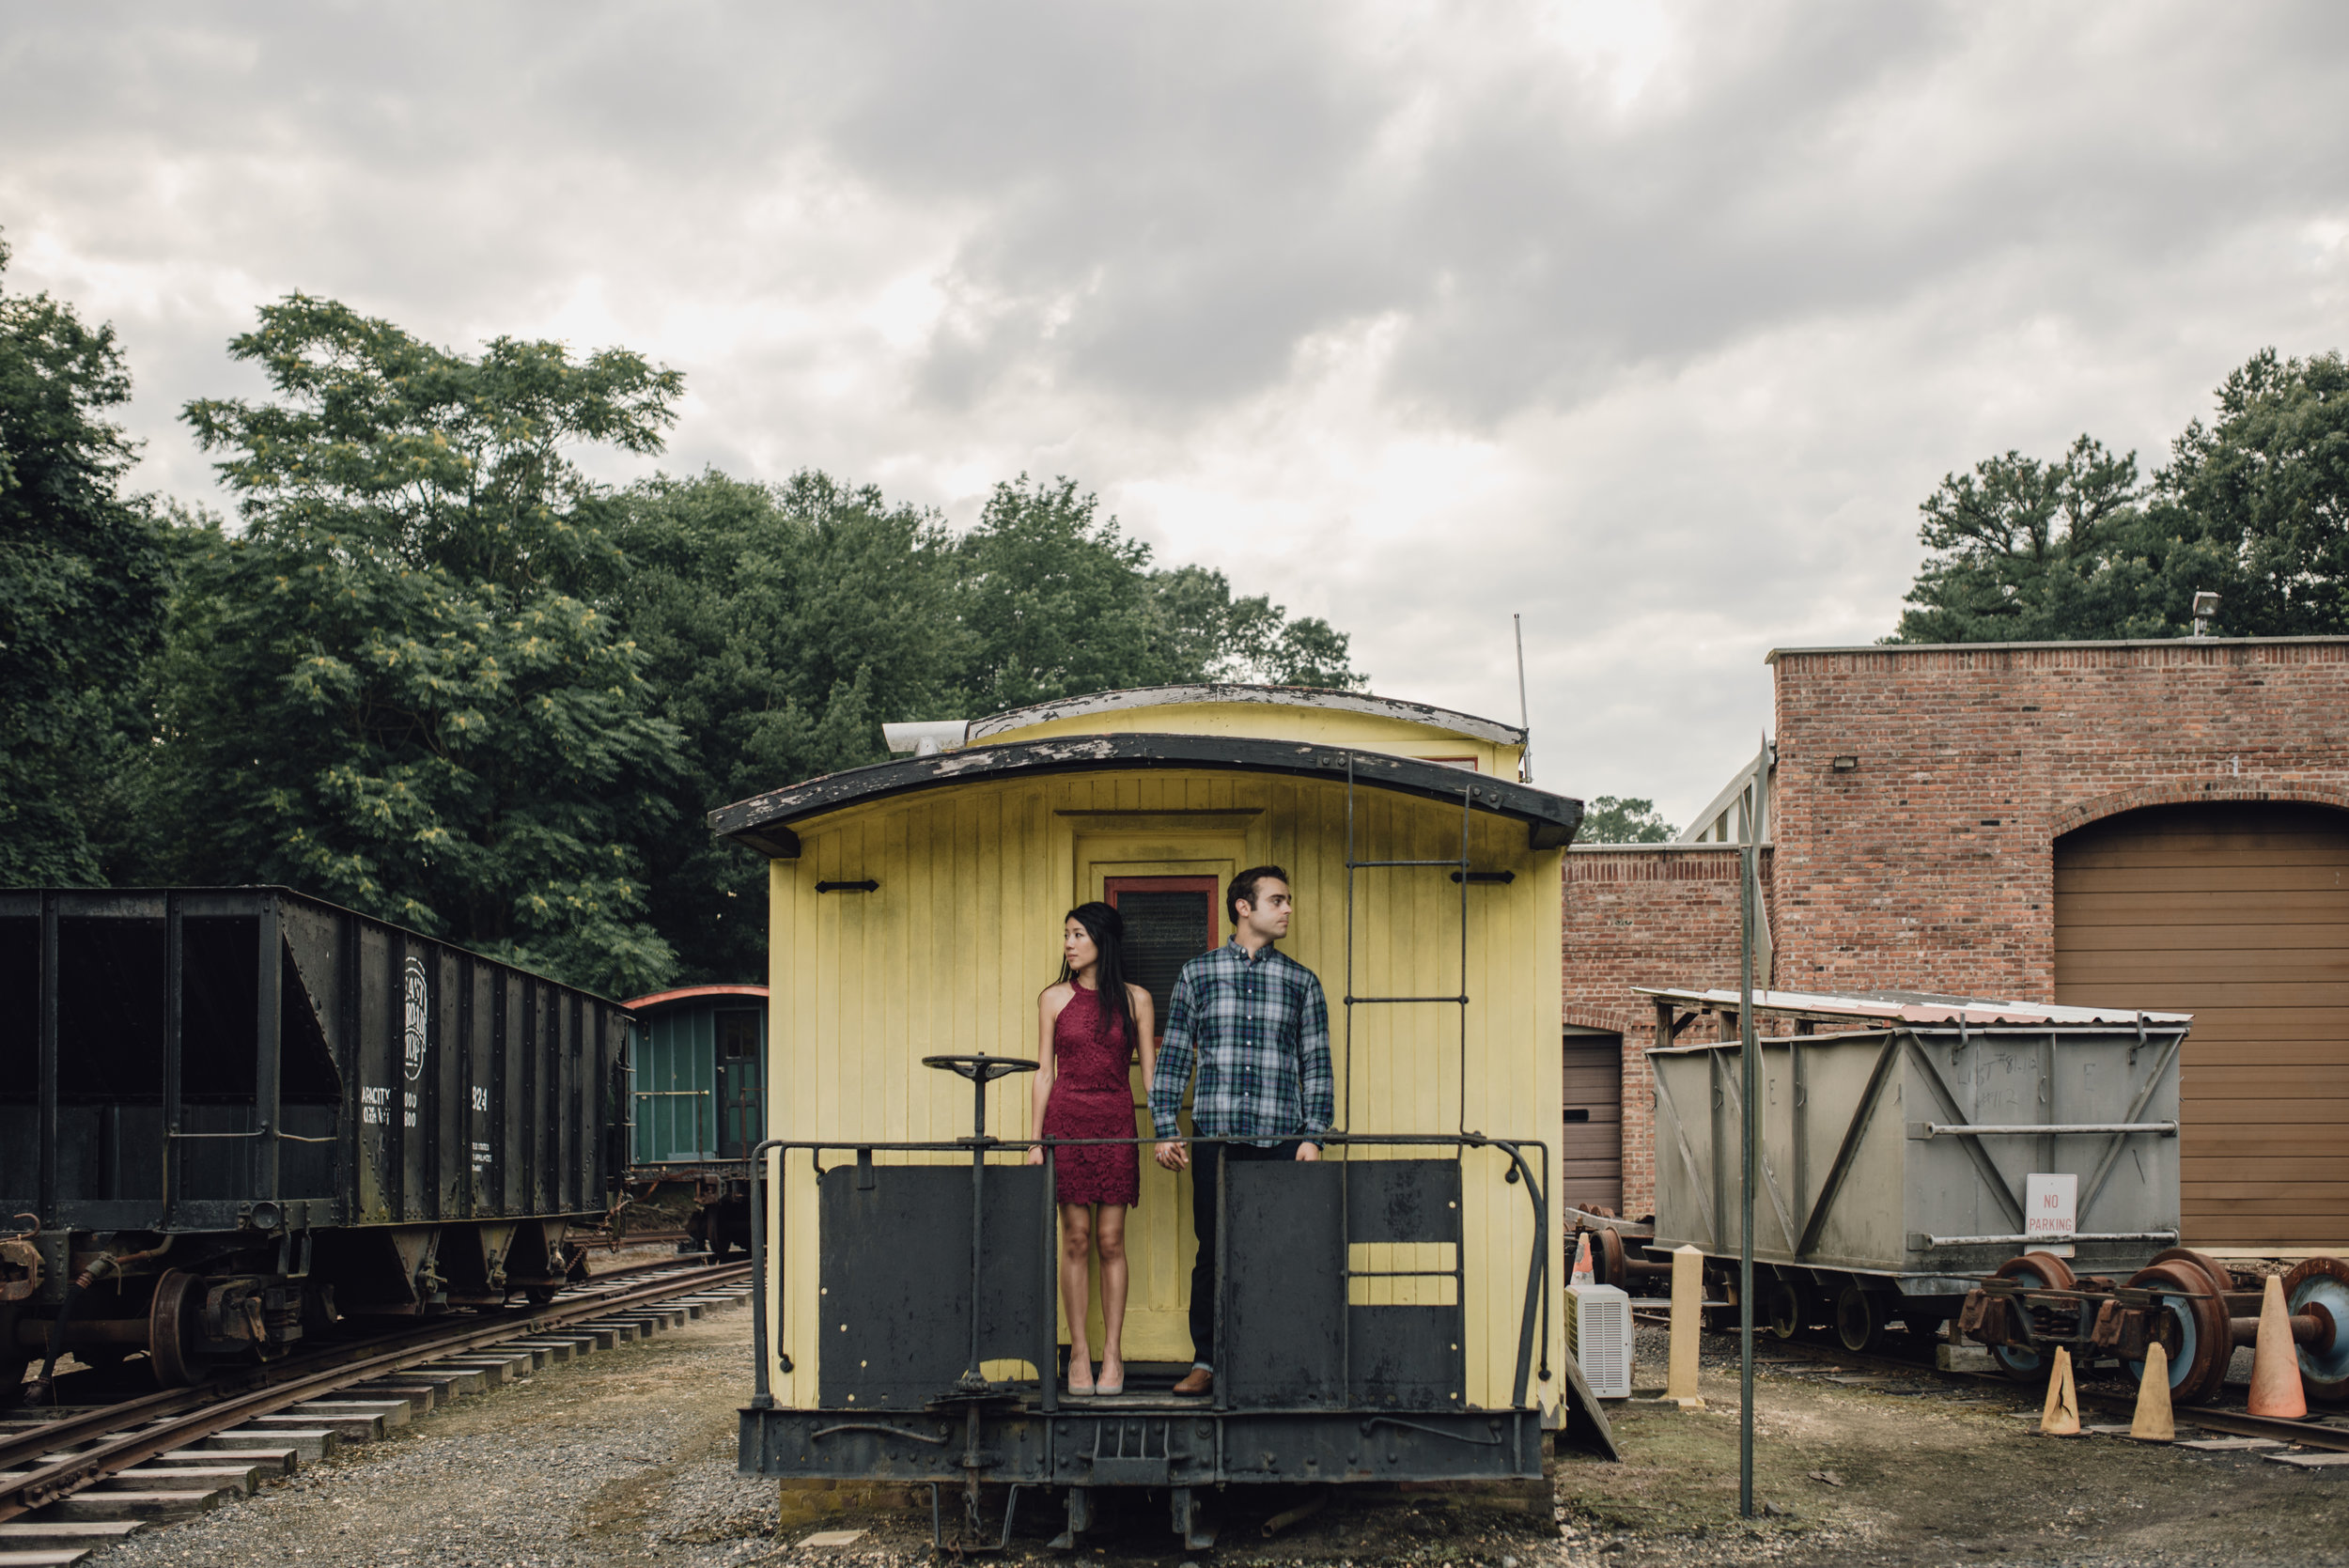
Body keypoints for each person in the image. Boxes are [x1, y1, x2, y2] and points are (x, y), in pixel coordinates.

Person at [1148, 865, 1332, 1397]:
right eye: (1278, 900)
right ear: (1243, 908)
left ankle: (1270, 1362)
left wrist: (1313, 1136)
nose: (1288, 908)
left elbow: (1316, 1064)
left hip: (1281, 1142)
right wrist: (1166, 1127)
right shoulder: (1196, 975)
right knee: (1213, 1252)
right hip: (1215, 1142)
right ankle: (1206, 1361)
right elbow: (1176, 1056)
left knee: (1278, 1252)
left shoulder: (1302, 982)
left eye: (1289, 899)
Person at [1027, 901, 1157, 1397]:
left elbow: (1148, 1074)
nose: (1069, 943)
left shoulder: (1136, 999)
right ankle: (1079, 1352)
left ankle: (1113, 1354)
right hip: (1067, 1121)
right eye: (1066, 935)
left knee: (1110, 1240)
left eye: (1078, 934)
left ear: (1103, 940)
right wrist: (1037, 1141)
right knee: (1076, 1238)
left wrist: (1163, 1127)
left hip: (1116, 1122)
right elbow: (1044, 1072)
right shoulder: (1053, 998)